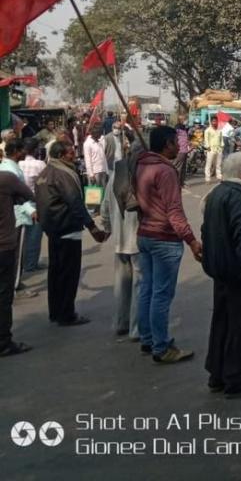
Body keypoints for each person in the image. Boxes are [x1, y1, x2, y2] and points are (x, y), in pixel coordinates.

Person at [135, 125, 203, 363]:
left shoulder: (142, 163)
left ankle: (148, 338)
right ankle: (161, 347)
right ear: (167, 144)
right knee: (161, 294)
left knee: (148, 289)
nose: (178, 146)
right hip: (163, 237)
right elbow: (174, 211)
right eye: (176, 142)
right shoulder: (165, 171)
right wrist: (192, 241)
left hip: (145, 233)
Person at [202, 151, 241, 398]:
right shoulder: (240, 198)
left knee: (222, 322)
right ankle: (234, 376)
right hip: (237, 273)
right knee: (240, 325)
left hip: (219, 269)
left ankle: (217, 372)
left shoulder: (216, 193)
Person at [35, 140, 108, 326]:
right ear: (60, 155)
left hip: (53, 230)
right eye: (69, 153)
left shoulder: (45, 173)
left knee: (56, 273)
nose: (73, 156)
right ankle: (67, 314)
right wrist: (92, 227)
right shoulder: (63, 174)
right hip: (67, 229)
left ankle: (56, 311)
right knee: (68, 274)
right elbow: (75, 202)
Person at [98, 134, 142, 340]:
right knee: (140, 285)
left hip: (119, 239)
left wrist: (107, 227)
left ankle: (120, 323)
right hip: (139, 240)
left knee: (122, 284)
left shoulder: (117, 174)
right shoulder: (142, 175)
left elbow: (105, 206)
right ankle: (136, 329)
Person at [0, 168, 35, 356]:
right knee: (4, 296)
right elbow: (29, 194)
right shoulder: (6, 178)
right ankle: (3, 342)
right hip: (4, 245)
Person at [1, 139, 39, 299]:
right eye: (22, 150)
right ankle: (15, 286)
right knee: (15, 255)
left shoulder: (8, 167)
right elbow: (21, 196)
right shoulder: (11, 171)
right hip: (16, 216)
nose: (25, 153)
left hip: (12, 215)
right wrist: (31, 210)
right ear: (17, 152)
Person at [20, 139, 46, 273]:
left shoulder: (18, 164)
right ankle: (30, 263)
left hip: (20, 203)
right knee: (34, 235)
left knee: (22, 235)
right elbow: (45, 183)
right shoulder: (39, 164)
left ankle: (24, 263)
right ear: (35, 150)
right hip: (35, 202)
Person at [204, 116, 224, 183]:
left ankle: (219, 176)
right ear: (211, 122)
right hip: (211, 149)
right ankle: (208, 178)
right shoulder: (207, 130)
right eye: (213, 121)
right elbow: (206, 140)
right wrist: (208, 147)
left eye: (215, 121)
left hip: (218, 149)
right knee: (209, 164)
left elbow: (221, 139)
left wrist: (222, 146)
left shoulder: (219, 130)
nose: (214, 123)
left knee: (218, 164)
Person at [173, 116, 190, 186]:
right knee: (178, 168)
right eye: (183, 119)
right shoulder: (177, 129)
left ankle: (181, 182)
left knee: (183, 168)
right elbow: (174, 138)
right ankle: (176, 183)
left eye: (184, 119)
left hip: (185, 150)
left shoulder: (184, 129)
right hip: (180, 150)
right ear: (180, 120)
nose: (184, 120)